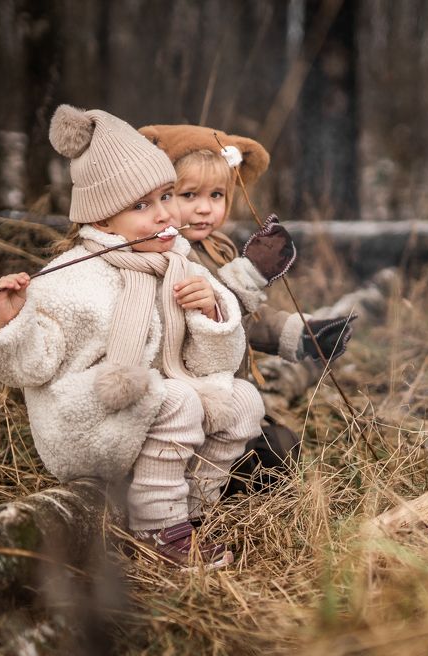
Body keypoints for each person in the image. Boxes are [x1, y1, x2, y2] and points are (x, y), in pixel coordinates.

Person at [0, 105, 294, 568]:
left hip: (149, 406)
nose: (165, 214)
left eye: (166, 197)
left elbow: (210, 365)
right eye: (142, 206)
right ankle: (158, 532)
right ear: (103, 221)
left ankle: (191, 510)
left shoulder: (178, 265)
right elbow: (29, 367)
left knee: (242, 400)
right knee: (178, 402)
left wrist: (211, 310)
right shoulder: (72, 278)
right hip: (87, 415)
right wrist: (10, 321)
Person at [139, 124, 356, 494]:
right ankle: (190, 496)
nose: (205, 208)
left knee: (282, 448)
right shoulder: (163, 254)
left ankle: (231, 478)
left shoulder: (216, 245)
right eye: (189, 194)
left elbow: (248, 320)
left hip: (230, 391)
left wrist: (300, 333)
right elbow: (204, 314)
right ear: (158, 195)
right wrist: (249, 274)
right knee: (262, 453)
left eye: (218, 195)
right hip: (187, 397)